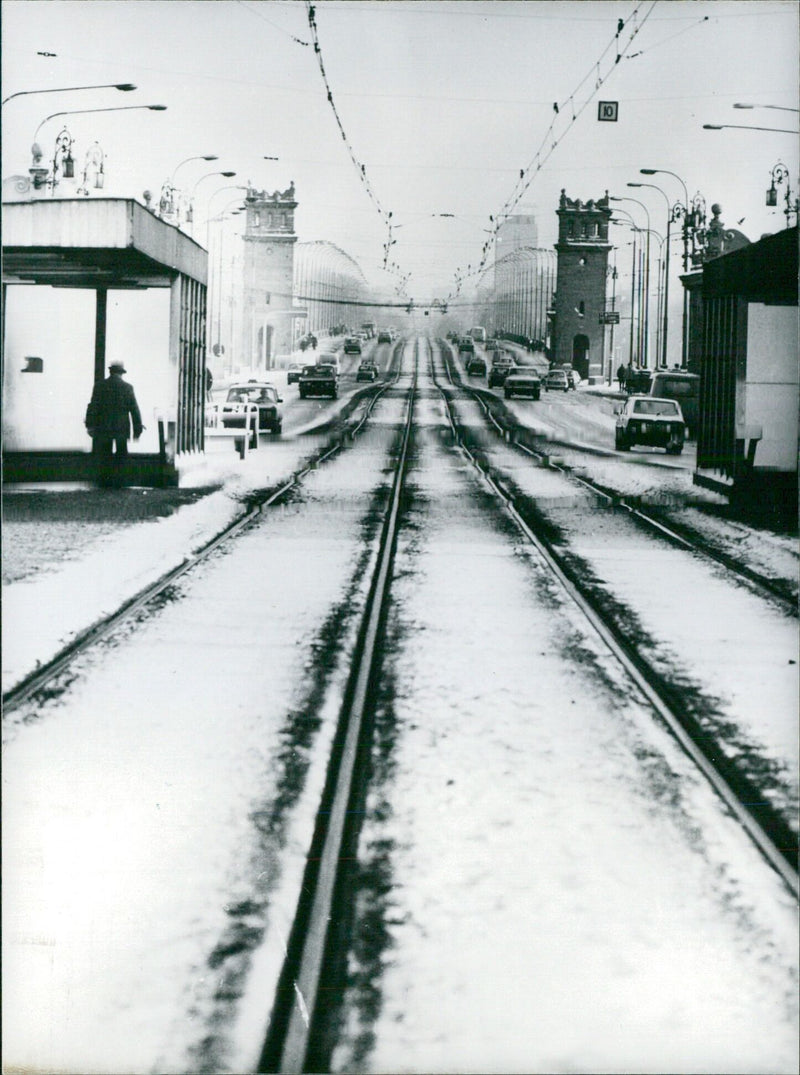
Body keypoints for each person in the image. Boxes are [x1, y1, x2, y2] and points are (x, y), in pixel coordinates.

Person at [85, 362, 143, 483]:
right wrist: (137, 429)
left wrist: (90, 425)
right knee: (121, 452)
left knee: (105, 453)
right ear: (121, 373)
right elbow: (134, 409)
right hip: (121, 426)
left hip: (104, 425)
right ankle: (120, 479)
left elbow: (92, 406)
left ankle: (106, 479)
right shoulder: (127, 387)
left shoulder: (99, 386)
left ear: (110, 372)